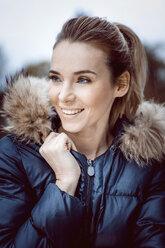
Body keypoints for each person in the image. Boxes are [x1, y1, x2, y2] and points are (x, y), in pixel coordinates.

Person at [0, 16, 165, 248]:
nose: (64, 95)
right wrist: (64, 185)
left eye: (83, 80)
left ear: (120, 84)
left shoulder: (149, 165)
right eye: (56, 78)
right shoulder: (13, 155)